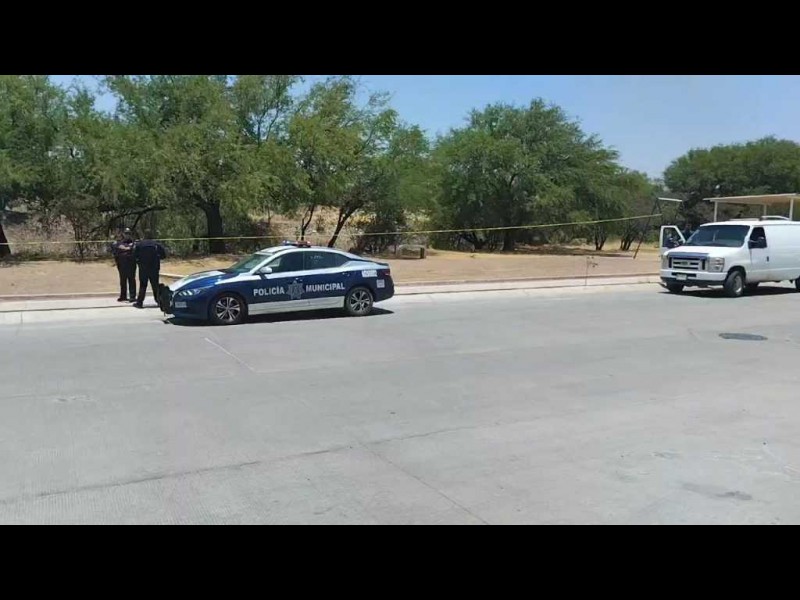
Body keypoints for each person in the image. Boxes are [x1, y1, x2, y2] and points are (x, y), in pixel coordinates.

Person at [133, 232, 167, 308]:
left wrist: (139, 261)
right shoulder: (157, 244)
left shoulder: (140, 244)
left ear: (144, 236)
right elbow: (164, 255)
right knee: (155, 285)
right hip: (154, 268)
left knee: (143, 285)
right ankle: (159, 301)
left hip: (143, 268)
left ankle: (139, 303)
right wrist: (157, 258)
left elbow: (134, 255)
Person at [111, 228, 136, 302]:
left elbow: (134, 250)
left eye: (128, 233)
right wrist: (127, 249)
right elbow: (116, 249)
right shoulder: (119, 243)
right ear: (123, 234)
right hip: (122, 265)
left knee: (131, 280)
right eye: (126, 233)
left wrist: (125, 249)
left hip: (131, 264)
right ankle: (123, 296)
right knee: (123, 281)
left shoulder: (134, 243)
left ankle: (132, 296)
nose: (127, 235)